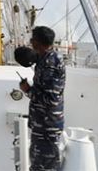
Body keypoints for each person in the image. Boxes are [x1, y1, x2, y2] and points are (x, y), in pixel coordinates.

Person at [19, 26, 65, 171]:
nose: (31, 42)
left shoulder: (51, 62)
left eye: (32, 40)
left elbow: (51, 98)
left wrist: (28, 90)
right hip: (41, 125)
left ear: (38, 42)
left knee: (46, 166)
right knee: (38, 164)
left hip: (47, 127)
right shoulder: (45, 58)